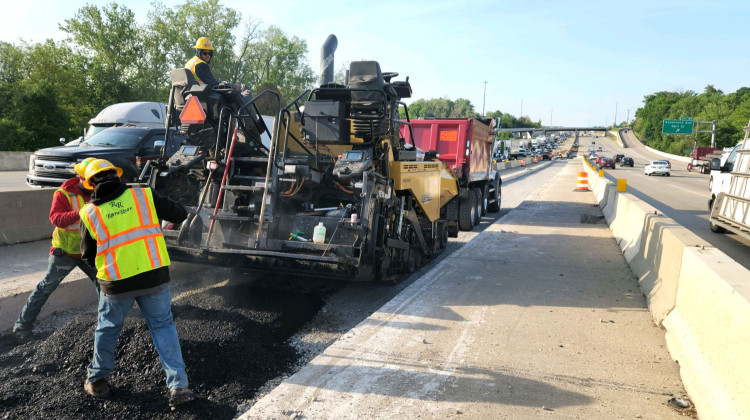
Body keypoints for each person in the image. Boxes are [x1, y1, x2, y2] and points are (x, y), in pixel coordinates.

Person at [78, 159, 194, 406]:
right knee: (163, 327)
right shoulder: (143, 195)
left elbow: (88, 255)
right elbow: (180, 214)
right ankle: (179, 386)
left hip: (116, 283)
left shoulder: (89, 212)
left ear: (90, 185)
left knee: (107, 329)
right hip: (154, 277)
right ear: (118, 176)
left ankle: (98, 382)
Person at [12, 158, 99, 338]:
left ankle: (109, 321)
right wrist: (82, 213)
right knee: (46, 287)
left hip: (88, 251)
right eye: (91, 180)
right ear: (81, 177)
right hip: (65, 251)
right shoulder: (64, 194)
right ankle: (21, 327)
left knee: (104, 285)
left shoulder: (97, 191)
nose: (94, 184)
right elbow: (56, 219)